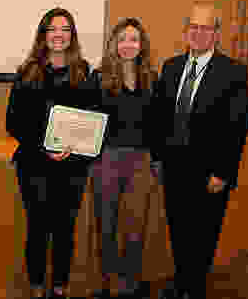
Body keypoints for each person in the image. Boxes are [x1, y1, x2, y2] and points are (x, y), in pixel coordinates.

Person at [153, 2, 248, 299]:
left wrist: (222, 172)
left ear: (216, 34)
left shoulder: (233, 72)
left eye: (206, 28)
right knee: (179, 232)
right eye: (193, 27)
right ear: (185, 32)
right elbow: (160, 117)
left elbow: (237, 127)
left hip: (210, 174)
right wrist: (158, 157)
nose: (198, 33)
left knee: (204, 236)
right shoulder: (171, 67)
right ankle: (181, 283)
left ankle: (194, 288)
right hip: (174, 170)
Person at [6, 7, 96, 299]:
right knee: (37, 229)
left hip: (73, 165)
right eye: (53, 29)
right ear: (43, 35)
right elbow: (13, 121)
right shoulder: (27, 71)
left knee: (65, 230)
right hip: (35, 164)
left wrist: (75, 147)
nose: (59, 35)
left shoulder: (84, 71)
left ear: (72, 35)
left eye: (65, 29)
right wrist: (44, 147)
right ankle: (35, 287)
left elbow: (92, 116)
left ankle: (60, 287)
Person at [88, 18, 158, 299]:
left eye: (134, 40)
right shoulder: (99, 76)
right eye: (123, 39)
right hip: (106, 159)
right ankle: (105, 284)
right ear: (114, 44)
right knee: (105, 223)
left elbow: (158, 123)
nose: (129, 45)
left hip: (142, 160)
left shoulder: (152, 78)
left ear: (142, 46)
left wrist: (158, 158)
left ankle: (130, 284)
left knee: (135, 224)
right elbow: (89, 120)